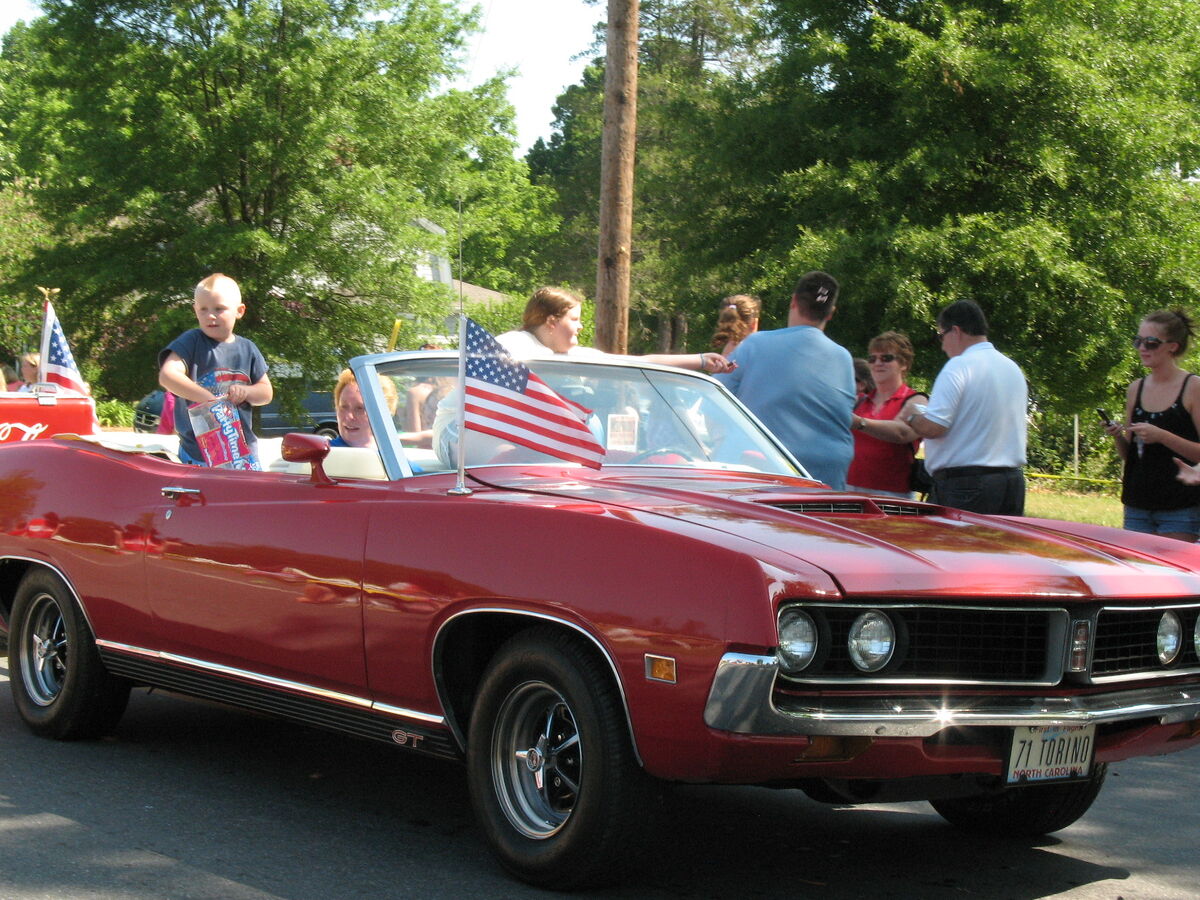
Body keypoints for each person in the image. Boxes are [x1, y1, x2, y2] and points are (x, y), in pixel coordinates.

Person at [432, 286, 735, 466]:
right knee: (511, 465)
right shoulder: (513, 345)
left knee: (591, 454)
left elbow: (634, 362)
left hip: (522, 436)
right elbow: (487, 404)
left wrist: (699, 360)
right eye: (574, 319)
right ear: (552, 321)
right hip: (463, 429)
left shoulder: (569, 356)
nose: (579, 327)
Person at [717, 271, 856, 490]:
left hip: (765, 470)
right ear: (831, 313)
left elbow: (716, 400)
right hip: (827, 476)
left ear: (793, 301)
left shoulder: (754, 344)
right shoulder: (843, 358)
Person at [901, 299, 1028, 515]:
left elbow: (934, 427)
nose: (942, 346)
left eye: (941, 336)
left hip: (965, 485)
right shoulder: (1011, 368)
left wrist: (912, 416)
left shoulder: (959, 366)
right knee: (1000, 548)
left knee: (956, 548)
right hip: (1011, 483)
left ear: (956, 331)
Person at [158, 273, 273, 466]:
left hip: (242, 453)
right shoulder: (191, 341)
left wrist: (246, 391)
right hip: (198, 454)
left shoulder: (248, 349)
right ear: (195, 310)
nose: (210, 316)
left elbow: (266, 393)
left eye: (219, 309)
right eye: (203, 309)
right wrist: (210, 401)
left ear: (240, 311)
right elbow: (168, 376)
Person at [1106, 310, 1200, 541]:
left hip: (1180, 507)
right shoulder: (1135, 389)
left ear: (1173, 347)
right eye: (1138, 341)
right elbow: (1131, 456)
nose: (1142, 348)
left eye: (1151, 343)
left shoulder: (1192, 387)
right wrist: (1118, 435)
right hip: (1137, 504)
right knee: (1138, 576)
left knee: (1173, 576)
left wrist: (1163, 436)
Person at [846, 332, 926, 498]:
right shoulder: (860, 400)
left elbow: (903, 433)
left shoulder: (916, 400)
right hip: (849, 489)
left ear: (903, 364)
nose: (877, 363)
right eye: (872, 359)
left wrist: (860, 423)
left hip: (893, 496)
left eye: (886, 358)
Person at [330, 368, 399, 449]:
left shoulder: (396, 456)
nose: (348, 416)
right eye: (343, 407)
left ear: (383, 413)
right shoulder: (322, 455)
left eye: (360, 408)